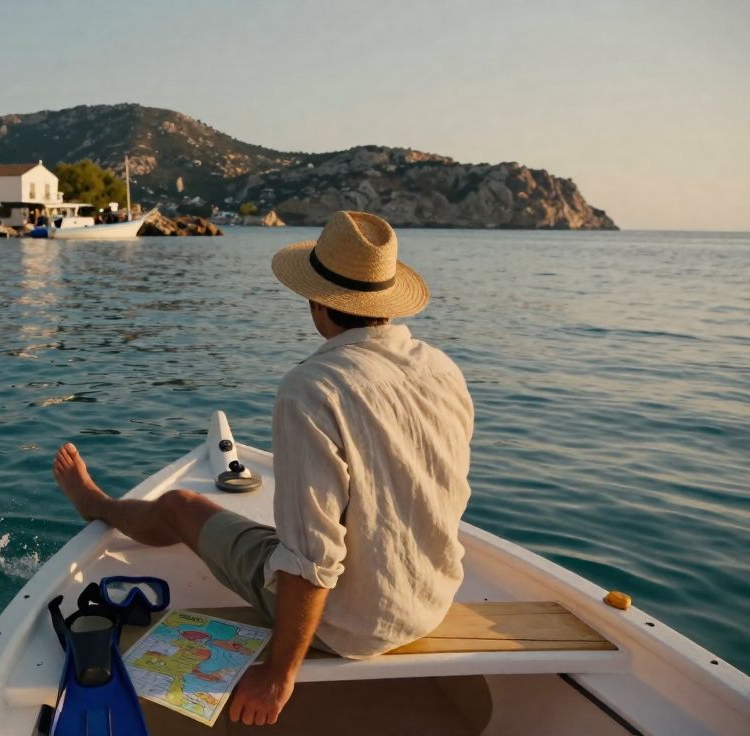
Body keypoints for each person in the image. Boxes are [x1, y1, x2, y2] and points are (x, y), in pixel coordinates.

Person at [52, 210, 473, 726]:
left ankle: (96, 504)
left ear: (317, 301)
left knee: (182, 506)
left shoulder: (313, 388)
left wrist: (279, 674)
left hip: (352, 627)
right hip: (432, 602)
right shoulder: (441, 368)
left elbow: (312, 558)